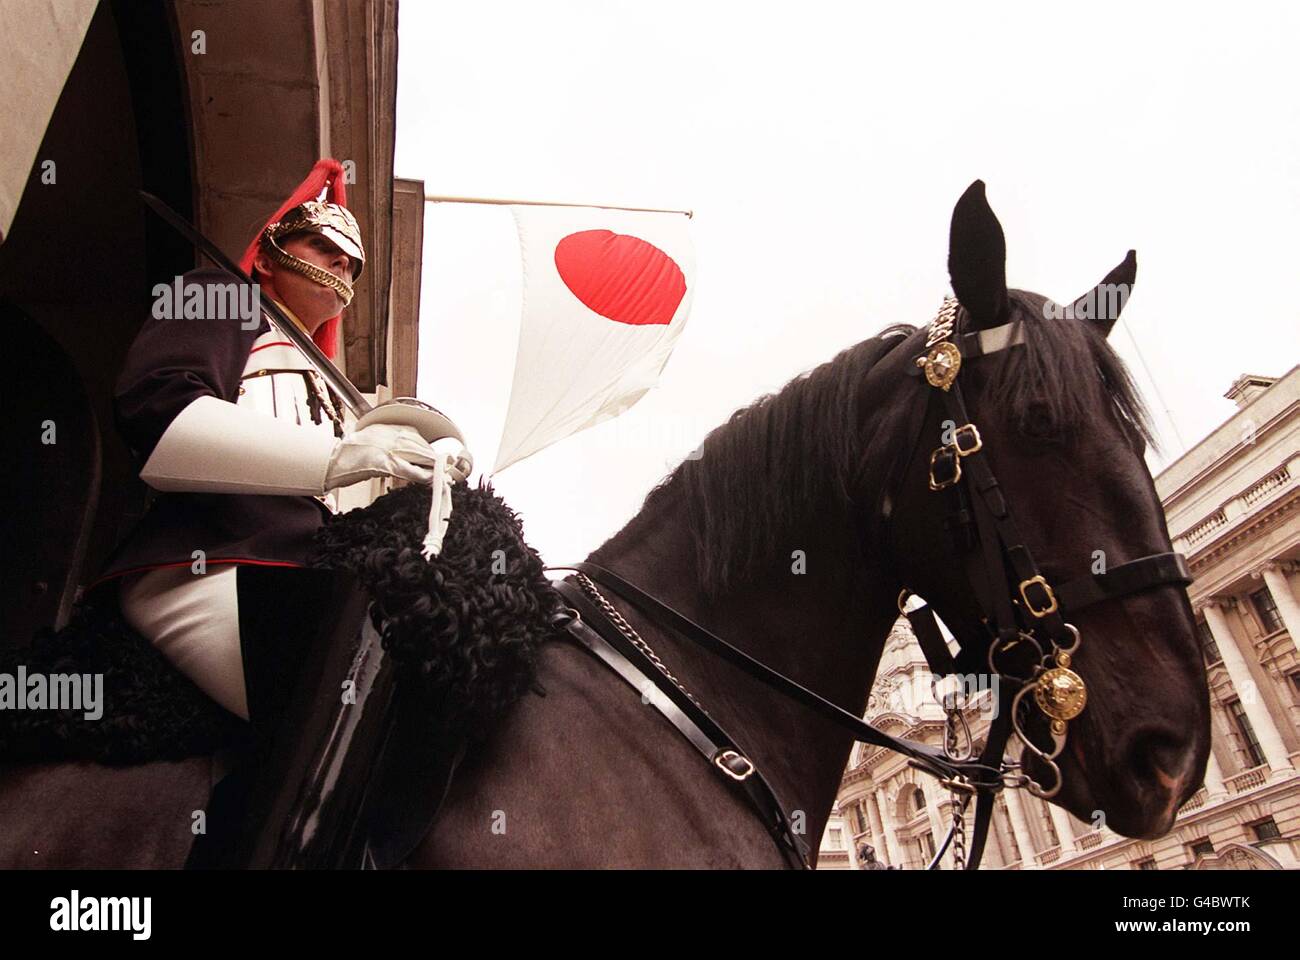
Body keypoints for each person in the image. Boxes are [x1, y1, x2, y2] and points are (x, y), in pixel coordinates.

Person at [88, 159, 442, 722]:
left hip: (316, 566)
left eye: (351, 262)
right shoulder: (222, 297)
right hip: (215, 559)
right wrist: (338, 456)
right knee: (341, 700)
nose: (343, 263)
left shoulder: (338, 393)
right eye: (324, 246)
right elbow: (156, 407)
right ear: (275, 250)